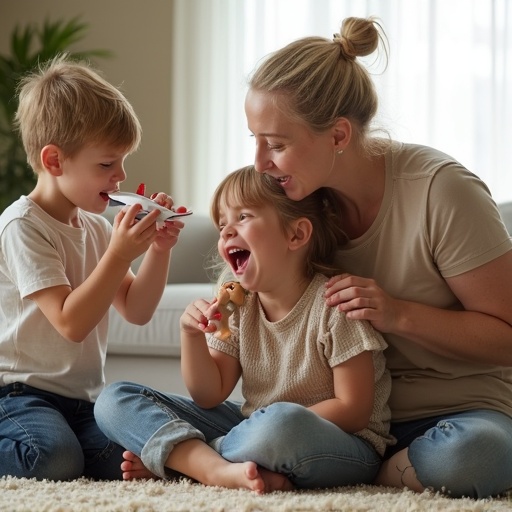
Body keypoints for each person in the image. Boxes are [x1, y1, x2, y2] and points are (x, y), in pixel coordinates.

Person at [243, 15, 512, 499]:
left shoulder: (440, 190)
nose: (260, 163)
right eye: (255, 141)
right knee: (264, 425)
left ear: (339, 136)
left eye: (276, 145)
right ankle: (337, 463)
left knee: (477, 458)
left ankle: (367, 473)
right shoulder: (295, 199)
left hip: (460, 415)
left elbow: (508, 337)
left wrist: (398, 313)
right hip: (343, 420)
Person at [94, 165, 395, 493]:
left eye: (244, 217)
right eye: (223, 224)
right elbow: (210, 394)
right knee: (113, 399)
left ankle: (189, 462)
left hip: (339, 444)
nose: (226, 232)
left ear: (296, 234)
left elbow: (354, 410)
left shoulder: (336, 305)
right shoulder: (237, 306)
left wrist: (266, 423)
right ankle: (216, 465)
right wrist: (191, 335)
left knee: (278, 425)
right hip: (254, 429)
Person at [0, 55, 185, 481]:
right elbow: (70, 322)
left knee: (133, 456)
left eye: (122, 161)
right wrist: (119, 255)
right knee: (54, 460)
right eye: (106, 164)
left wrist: (158, 250)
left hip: (82, 399)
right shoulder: (22, 225)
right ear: (54, 161)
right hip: (19, 394)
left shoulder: (97, 228)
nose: (120, 176)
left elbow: (136, 311)